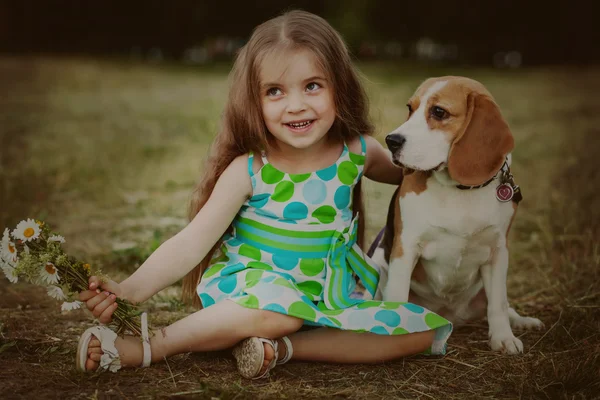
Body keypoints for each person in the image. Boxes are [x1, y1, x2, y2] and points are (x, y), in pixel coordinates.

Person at [77, 10, 452, 379]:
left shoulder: (358, 151)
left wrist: (464, 159)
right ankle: (152, 345)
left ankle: (281, 348)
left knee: (420, 330)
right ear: (253, 102)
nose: (296, 105)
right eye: (275, 91)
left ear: (340, 86)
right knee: (281, 312)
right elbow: (190, 243)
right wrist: (127, 291)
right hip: (256, 293)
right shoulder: (250, 169)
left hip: (329, 296)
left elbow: (414, 173)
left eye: (312, 86)